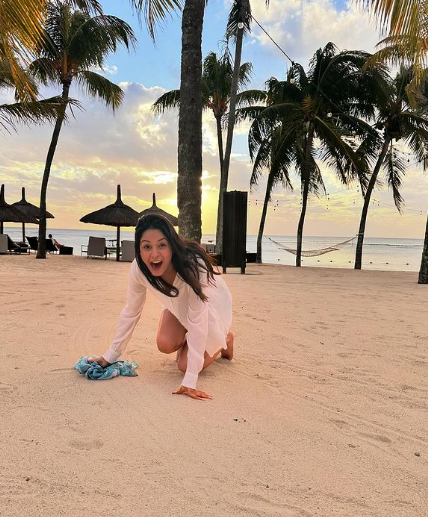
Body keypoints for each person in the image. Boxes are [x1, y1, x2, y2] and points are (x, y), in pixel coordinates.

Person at [89, 214, 233, 400]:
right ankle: (193, 343)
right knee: (165, 344)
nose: (155, 254)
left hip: (209, 305)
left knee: (184, 366)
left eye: (162, 245)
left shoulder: (193, 264)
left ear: (172, 245)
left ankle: (225, 339)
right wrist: (110, 356)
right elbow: (131, 312)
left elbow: (198, 320)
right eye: (147, 247)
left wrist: (190, 380)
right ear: (139, 249)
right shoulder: (138, 269)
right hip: (177, 308)